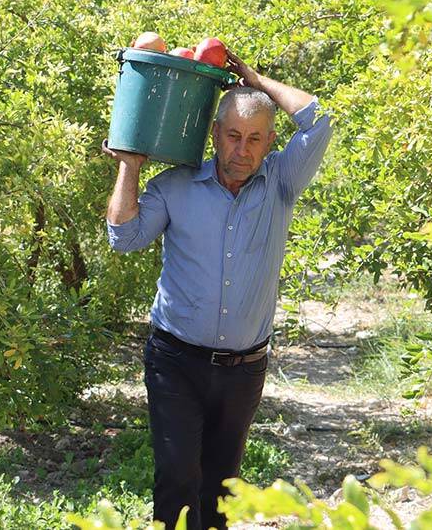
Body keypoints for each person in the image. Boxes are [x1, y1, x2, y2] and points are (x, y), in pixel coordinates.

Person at [102, 48, 332, 530]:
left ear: (270, 143)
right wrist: (128, 165)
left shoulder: (281, 184)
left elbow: (319, 119)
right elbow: (124, 238)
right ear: (214, 134)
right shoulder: (176, 186)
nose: (242, 150)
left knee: (222, 489)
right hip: (175, 361)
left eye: (254, 139)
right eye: (232, 136)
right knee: (178, 476)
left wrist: (252, 79)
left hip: (244, 369)